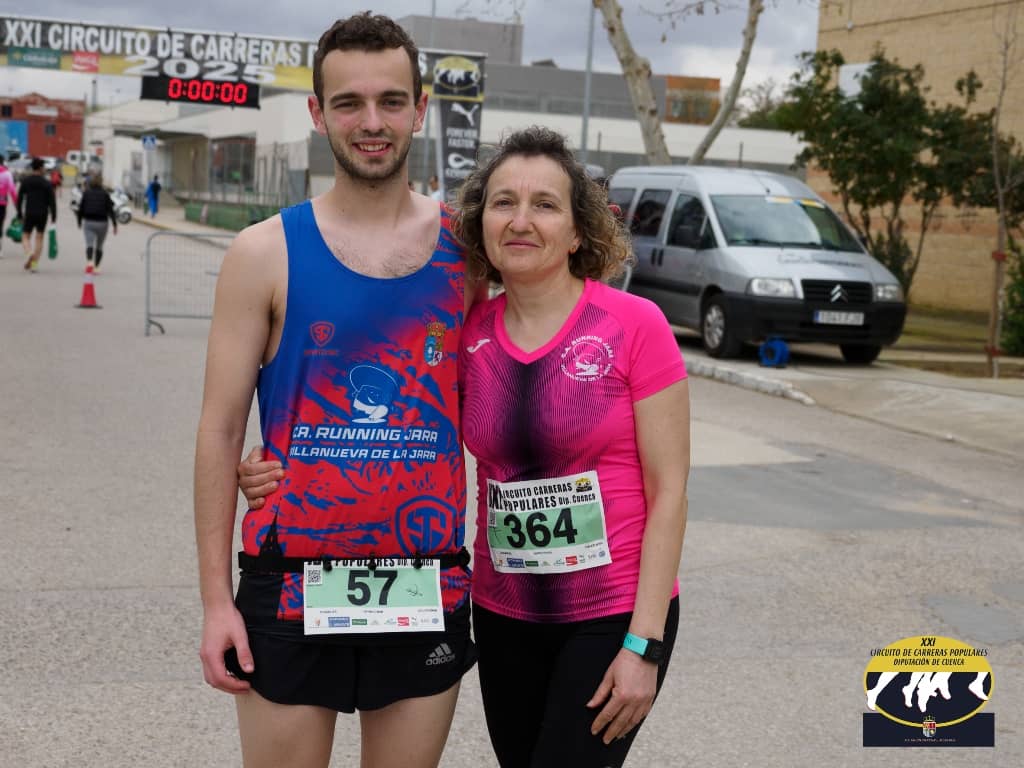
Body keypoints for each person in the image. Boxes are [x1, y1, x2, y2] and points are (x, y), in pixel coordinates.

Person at [240, 127, 691, 768]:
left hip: (611, 611)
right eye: (504, 202)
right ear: (481, 224)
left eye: (545, 205)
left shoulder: (635, 324)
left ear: (578, 231)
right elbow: (401, 421)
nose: (521, 221)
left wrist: (644, 644)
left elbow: (669, 492)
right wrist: (276, 462)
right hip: (505, 613)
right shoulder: (468, 331)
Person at [194, 13, 479, 768]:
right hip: (290, 580)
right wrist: (216, 601)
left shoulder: (471, 252)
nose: (372, 122)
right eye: (349, 103)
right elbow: (219, 432)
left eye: (391, 101)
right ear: (318, 113)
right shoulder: (261, 253)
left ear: (421, 109)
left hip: (425, 579)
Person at [16, 157, 56, 272]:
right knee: (39, 237)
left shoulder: (26, 181)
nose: (45, 169)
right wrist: (54, 216)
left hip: (29, 212)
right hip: (43, 214)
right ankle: (34, 265)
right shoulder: (46, 183)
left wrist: (19, 213)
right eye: (44, 167)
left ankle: (30, 253)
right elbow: (52, 201)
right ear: (40, 168)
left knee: (25, 236)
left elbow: (20, 198)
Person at [75, 174, 118, 273]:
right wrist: (115, 224)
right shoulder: (105, 194)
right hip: (103, 223)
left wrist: (79, 221)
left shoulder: (86, 193)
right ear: (101, 182)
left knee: (89, 244)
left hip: (89, 222)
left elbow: (81, 208)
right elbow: (110, 210)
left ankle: (90, 261)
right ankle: (96, 267)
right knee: (99, 245)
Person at [0, 157, 17, 255]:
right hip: (2, 203)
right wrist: (17, 206)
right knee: (0, 225)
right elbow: (12, 190)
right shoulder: (7, 174)